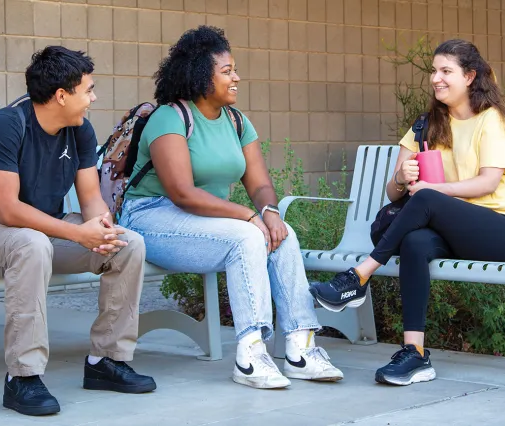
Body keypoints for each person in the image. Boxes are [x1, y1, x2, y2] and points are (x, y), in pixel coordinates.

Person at [118, 25, 343, 390]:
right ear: (199, 76)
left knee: (283, 236)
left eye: (234, 69)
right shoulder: (170, 118)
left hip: (204, 220)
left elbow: (259, 184)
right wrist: (249, 217)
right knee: (246, 237)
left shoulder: (237, 121)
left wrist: (269, 213)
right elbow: (182, 193)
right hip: (150, 217)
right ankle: (251, 354)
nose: (236, 77)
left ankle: (301, 349)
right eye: (227, 71)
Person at [0, 46, 156, 416]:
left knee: (127, 244)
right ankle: (23, 378)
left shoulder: (78, 130)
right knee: (31, 244)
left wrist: (101, 227)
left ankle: (106, 362)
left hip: (43, 234)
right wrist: (78, 234)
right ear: (61, 95)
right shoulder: (7, 125)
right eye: (88, 90)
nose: (93, 99)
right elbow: (8, 210)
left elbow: (91, 197)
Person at [309, 39, 505, 386]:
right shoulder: (427, 124)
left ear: (470, 76)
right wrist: (402, 178)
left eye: (446, 71)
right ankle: (415, 354)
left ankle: (358, 277)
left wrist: (431, 192)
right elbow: (393, 192)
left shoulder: (490, 119)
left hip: (498, 229)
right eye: (434, 71)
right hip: (452, 231)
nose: (436, 78)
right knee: (416, 242)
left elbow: (488, 182)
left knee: (427, 199)